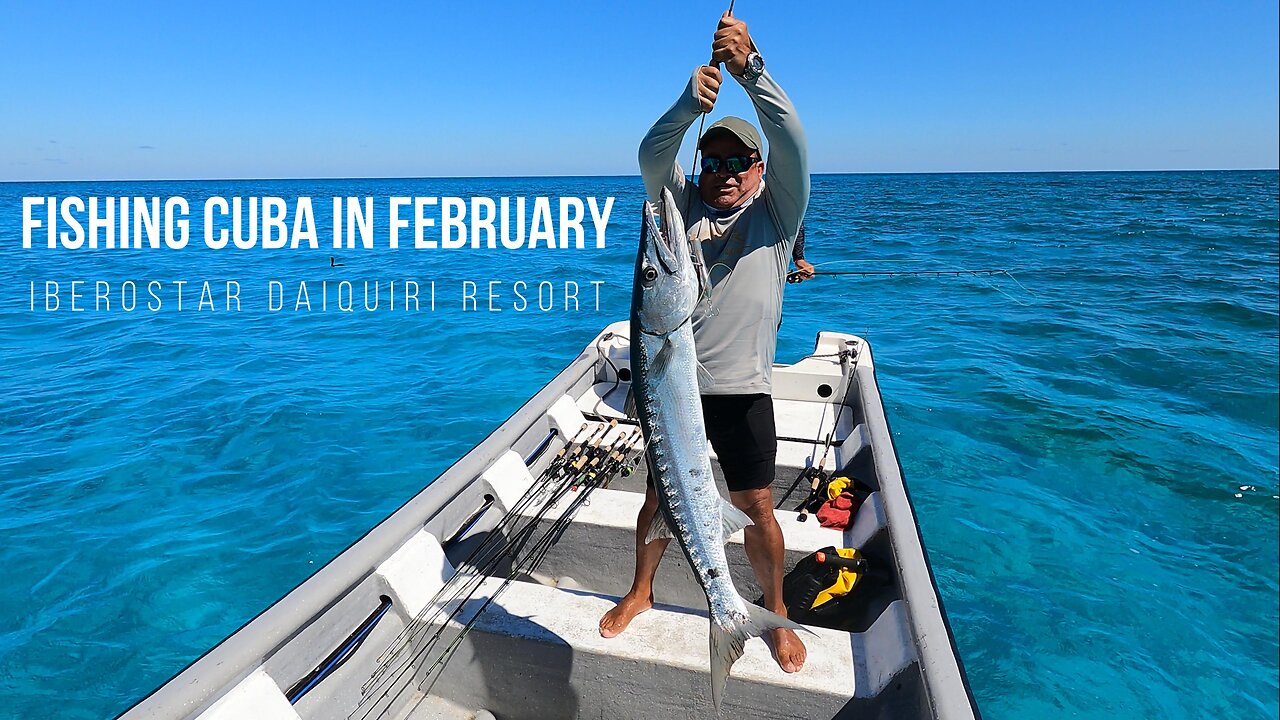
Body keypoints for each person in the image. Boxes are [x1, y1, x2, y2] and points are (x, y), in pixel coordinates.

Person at [598, 11, 809, 674]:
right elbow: (650, 157)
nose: (721, 172)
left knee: (756, 509)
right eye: (711, 161)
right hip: (671, 391)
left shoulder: (778, 211)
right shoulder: (679, 208)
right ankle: (642, 591)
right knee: (657, 501)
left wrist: (751, 72)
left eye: (736, 162)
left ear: (757, 167)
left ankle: (773, 610)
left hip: (742, 390)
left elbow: (793, 141)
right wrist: (690, 104)